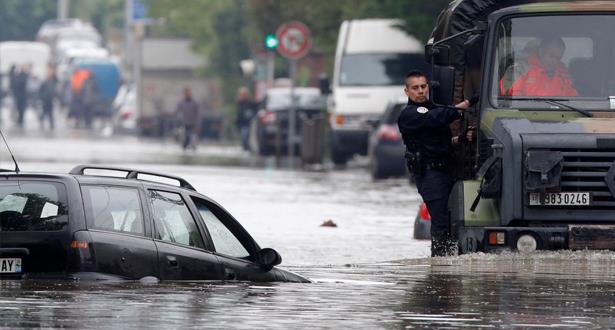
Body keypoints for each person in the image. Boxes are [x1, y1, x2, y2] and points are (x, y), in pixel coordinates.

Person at [397, 71, 474, 257]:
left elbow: (438, 141)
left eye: (423, 86)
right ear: (407, 91)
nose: (420, 91)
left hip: (447, 171)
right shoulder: (409, 114)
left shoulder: (431, 107)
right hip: (430, 176)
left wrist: (460, 138)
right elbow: (436, 118)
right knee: (441, 224)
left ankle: (452, 266)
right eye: (415, 88)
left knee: (453, 222)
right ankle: (441, 270)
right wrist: (467, 104)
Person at [503, 37, 578, 97]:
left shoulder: (563, 73)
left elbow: (573, 99)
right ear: (541, 51)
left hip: (561, 114)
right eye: (551, 56)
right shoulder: (520, 68)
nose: (554, 61)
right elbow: (509, 98)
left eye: (558, 57)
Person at [38, 65, 57, 130]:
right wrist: (42, 97)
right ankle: (42, 122)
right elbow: (40, 90)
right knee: (44, 112)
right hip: (45, 99)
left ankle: (51, 124)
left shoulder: (54, 81)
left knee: (50, 112)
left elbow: (55, 90)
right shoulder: (44, 82)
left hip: (50, 99)